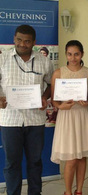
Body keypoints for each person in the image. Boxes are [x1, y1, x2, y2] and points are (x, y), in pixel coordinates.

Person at [0, 24, 53, 195]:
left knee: (35, 162)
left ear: (34, 42)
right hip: (10, 119)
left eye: (27, 41)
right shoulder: (3, 59)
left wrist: (45, 97)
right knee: (12, 163)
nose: (23, 44)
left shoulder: (44, 61)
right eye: (19, 40)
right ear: (14, 39)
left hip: (35, 120)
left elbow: (52, 84)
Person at [50, 40, 88, 195]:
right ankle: (67, 192)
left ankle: (79, 190)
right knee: (71, 158)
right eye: (70, 54)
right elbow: (54, 99)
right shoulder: (58, 73)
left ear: (82, 54)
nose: (73, 58)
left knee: (82, 157)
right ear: (66, 54)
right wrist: (60, 106)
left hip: (83, 116)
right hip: (67, 117)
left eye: (76, 54)